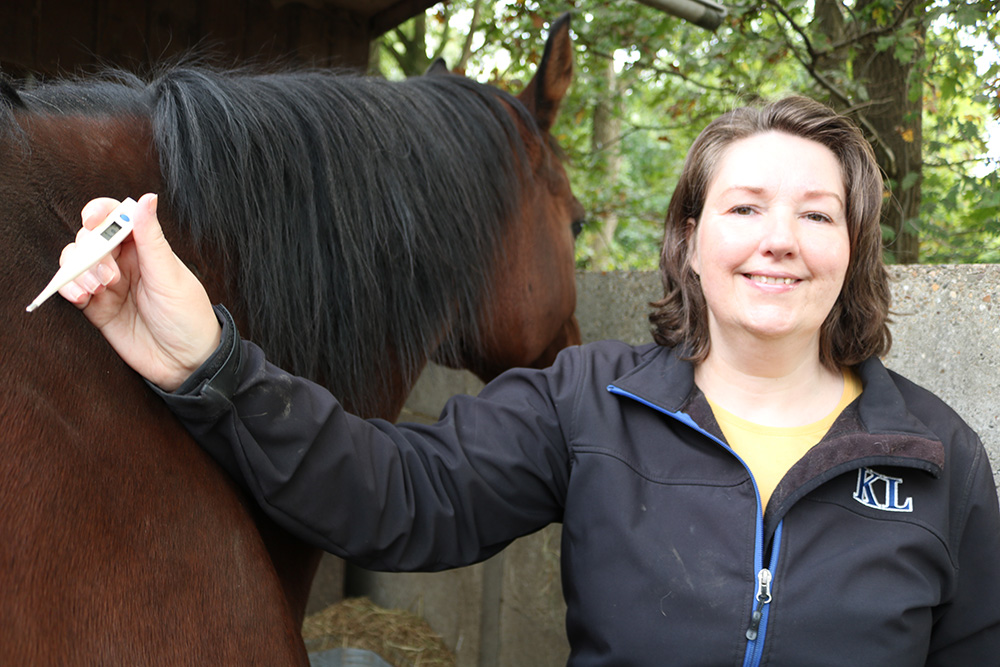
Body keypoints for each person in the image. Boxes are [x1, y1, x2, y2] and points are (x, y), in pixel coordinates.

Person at [60, 96, 1000, 665]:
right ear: (692, 242)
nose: (780, 239)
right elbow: (386, 492)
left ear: (852, 248)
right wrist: (206, 360)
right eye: (746, 205)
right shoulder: (589, 402)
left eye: (817, 214)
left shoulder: (935, 454)